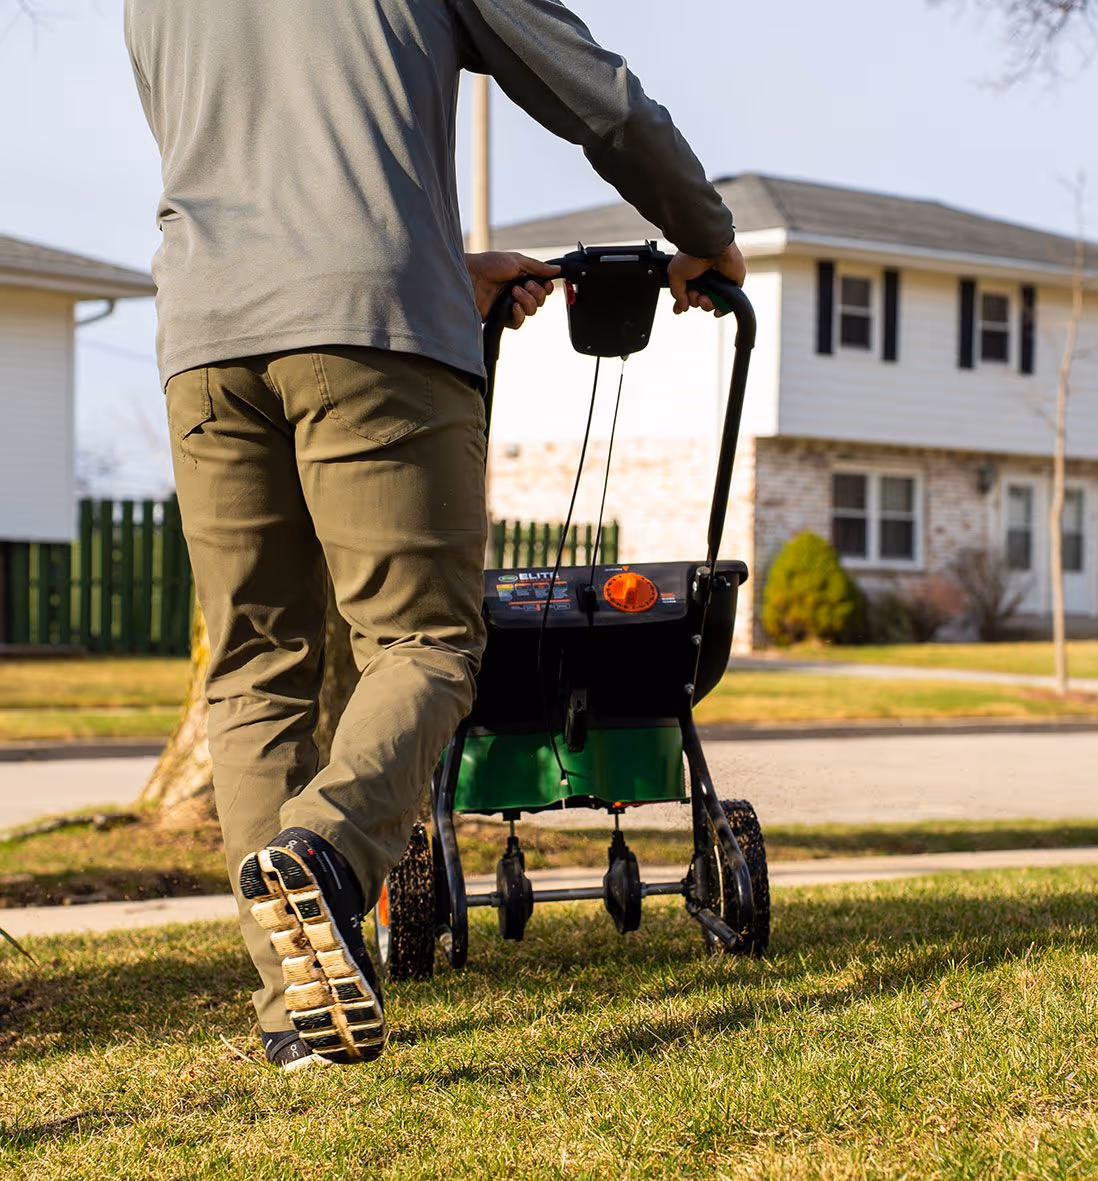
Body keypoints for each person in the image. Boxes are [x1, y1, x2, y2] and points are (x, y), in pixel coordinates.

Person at [124, 0, 747, 1072]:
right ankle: (322, 847)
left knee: (255, 667)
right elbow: (593, 95)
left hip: (207, 338)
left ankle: (295, 1019)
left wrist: (442, 264)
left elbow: (255, 156)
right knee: (423, 643)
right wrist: (703, 232)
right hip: (375, 334)